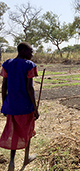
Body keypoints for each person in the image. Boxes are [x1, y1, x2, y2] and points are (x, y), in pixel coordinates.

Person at [0, 42, 39, 171]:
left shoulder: (7, 64)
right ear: (22, 51)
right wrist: (35, 107)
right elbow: (30, 88)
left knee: (14, 131)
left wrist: (5, 104)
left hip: (11, 106)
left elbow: (3, 86)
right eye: (30, 52)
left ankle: (11, 162)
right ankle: (26, 158)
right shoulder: (29, 65)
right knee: (28, 130)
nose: (32, 54)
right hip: (25, 107)